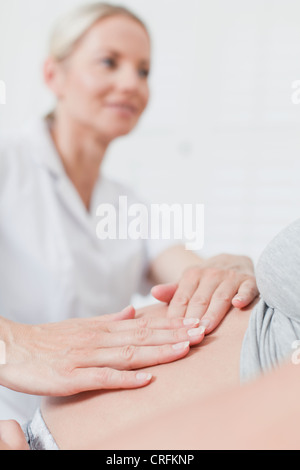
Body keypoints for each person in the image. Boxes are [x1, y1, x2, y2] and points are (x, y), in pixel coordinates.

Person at [0, 2, 258, 422]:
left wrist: (229, 267)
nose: (130, 83)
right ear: (53, 75)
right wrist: (15, 344)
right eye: (109, 62)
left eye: (143, 71)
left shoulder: (128, 205)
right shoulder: (7, 164)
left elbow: (192, 275)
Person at [10, 217, 300, 450]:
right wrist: (13, 343)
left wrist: (223, 269)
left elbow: (190, 272)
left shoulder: (122, 201)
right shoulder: (10, 158)